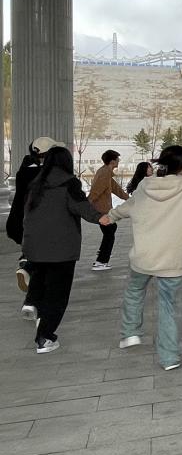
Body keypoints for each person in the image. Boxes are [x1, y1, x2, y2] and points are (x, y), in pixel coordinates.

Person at [103, 146, 182, 371]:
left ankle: (130, 332)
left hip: (144, 256)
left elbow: (128, 207)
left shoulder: (145, 185)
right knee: (168, 307)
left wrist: (111, 216)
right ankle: (169, 358)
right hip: (172, 260)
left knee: (135, 290)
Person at [22, 146, 105, 353]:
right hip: (61, 249)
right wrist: (102, 218)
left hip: (35, 246)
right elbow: (82, 208)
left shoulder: (35, 184)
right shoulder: (69, 183)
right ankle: (45, 338)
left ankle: (33, 303)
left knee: (41, 281)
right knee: (57, 294)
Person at [7, 137, 56, 308]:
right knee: (45, 264)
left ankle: (26, 265)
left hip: (20, 221)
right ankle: (28, 270)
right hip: (40, 223)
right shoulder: (47, 174)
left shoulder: (24, 170)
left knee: (37, 258)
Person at [88, 149, 129, 270]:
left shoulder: (106, 172)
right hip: (101, 209)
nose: (119, 161)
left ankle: (103, 253)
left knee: (110, 230)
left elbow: (116, 189)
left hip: (103, 208)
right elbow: (96, 191)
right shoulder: (105, 173)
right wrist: (86, 205)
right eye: (117, 159)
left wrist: (128, 198)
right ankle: (101, 261)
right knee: (110, 231)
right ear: (112, 161)